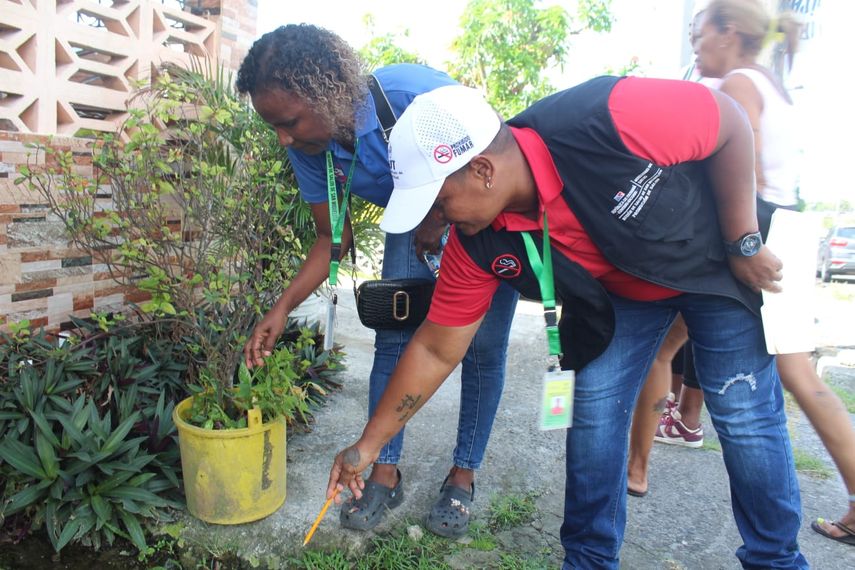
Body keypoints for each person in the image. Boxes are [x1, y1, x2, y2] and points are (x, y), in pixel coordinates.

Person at [326, 77, 808, 568]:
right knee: (595, 414)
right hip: (624, 296)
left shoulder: (606, 115)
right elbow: (435, 349)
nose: (439, 218)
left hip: (713, 265)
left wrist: (742, 239)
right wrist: (367, 446)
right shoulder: (476, 242)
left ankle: (775, 561)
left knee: (742, 411)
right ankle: (589, 560)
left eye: (439, 201)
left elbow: (728, 120)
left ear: (484, 170)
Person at [236, 24, 519, 537]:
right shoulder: (309, 148)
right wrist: (281, 309)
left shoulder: (411, 94)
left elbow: (492, 154)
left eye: (289, 121)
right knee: (393, 339)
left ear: (325, 87)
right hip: (407, 224)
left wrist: (440, 217)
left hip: (478, 221)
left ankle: (463, 474)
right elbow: (331, 240)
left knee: (481, 350)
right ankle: (383, 469)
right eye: (273, 125)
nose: (283, 137)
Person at [694, 0, 855, 547]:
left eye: (701, 35)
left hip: (756, 237)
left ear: (728, 32)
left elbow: (746, 171)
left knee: (779, 382)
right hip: (790, 229)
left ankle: (637, 461)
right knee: (801, 377)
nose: (696, 47)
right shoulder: (775, 83)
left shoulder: (739, 82)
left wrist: (738, 242)